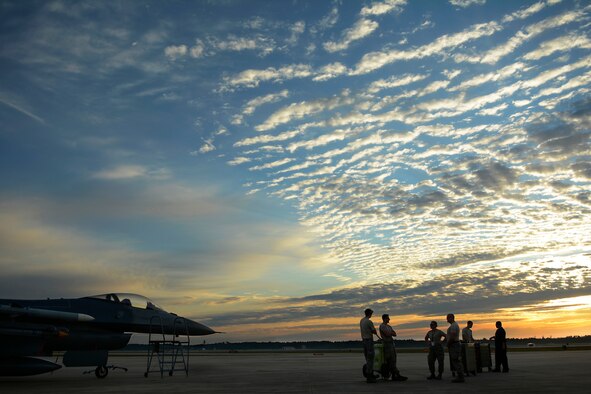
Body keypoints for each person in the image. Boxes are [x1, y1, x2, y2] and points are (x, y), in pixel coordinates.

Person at [379, 314, 408, 381]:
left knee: (393, 359)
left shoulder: (389, 326)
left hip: (391, 344)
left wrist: (391, 333)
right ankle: (396, 375)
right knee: (390, 360)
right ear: (384, 319)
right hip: (387, 345)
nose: (389, 319)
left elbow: (394, 334)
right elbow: (387, 334)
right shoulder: (382, 326)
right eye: (388, 318)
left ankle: (394, 375)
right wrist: (390, 333)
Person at [360, 308, 378, 383]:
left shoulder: (361, 320)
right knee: (371, 358)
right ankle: (369, 376)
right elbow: (374, 331)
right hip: (369, 340)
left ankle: (371, 373)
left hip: (364, 340)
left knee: (367, 358)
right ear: (369, 314)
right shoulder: (369, 321)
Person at [446, 313, 464, 383]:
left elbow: (453, 336)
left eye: (448, 318)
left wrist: (448, 344)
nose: (447, 319)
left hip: (454, 345)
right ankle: (460, 376)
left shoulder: (454, 326)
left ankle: (460, 376)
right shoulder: (453, 325)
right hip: (454, 344)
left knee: (456, 360)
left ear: (452, 318)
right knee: (455, 360)